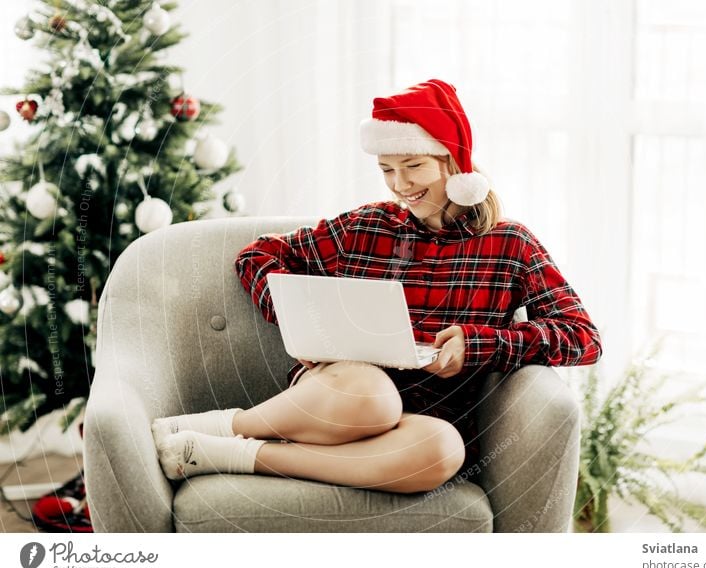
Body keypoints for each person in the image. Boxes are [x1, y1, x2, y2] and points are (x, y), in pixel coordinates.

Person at [151, 79, 602, 494]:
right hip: (340, 395)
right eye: (387, 169)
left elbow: (582, 338)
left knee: (446, 449)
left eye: (414, 166)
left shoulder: (511, 245)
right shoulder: (368, 225)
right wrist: (303, 323)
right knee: (373, 396)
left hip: (420, 423)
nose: (401, 185)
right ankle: (227, 427)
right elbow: (259, 255)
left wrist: (479, 344)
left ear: (454, 162)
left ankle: (237, 455)